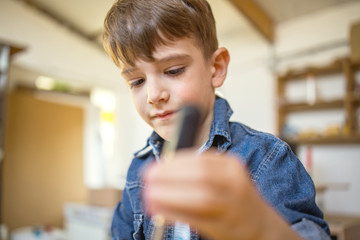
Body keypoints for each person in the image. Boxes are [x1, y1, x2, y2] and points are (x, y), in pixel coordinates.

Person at [102, 0, 331, 239]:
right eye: (137, 81)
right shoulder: (139, 170)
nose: (153, 95)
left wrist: (258, 225)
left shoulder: (268, 158)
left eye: (173, 70)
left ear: (216, 67)